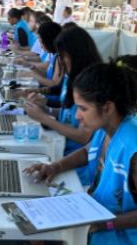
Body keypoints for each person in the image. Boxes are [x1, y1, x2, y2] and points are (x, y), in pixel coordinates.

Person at [26, 54, 137, 245]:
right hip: (102, 222)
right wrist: (55, 166)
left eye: (83, 109)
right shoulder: (110, 126)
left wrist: (103, 224)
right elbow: (88, 151)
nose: (77, 116)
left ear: (108, 107)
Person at [24, 25, 101, 162]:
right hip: (59, 145)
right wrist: (45, 107)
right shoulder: (71, 77)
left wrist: (45, 118)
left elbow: (83, 136)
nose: (61, 61)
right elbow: (68, 113)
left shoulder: (93, 85)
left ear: (76, 54)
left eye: (63, 56)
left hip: (71, 157)